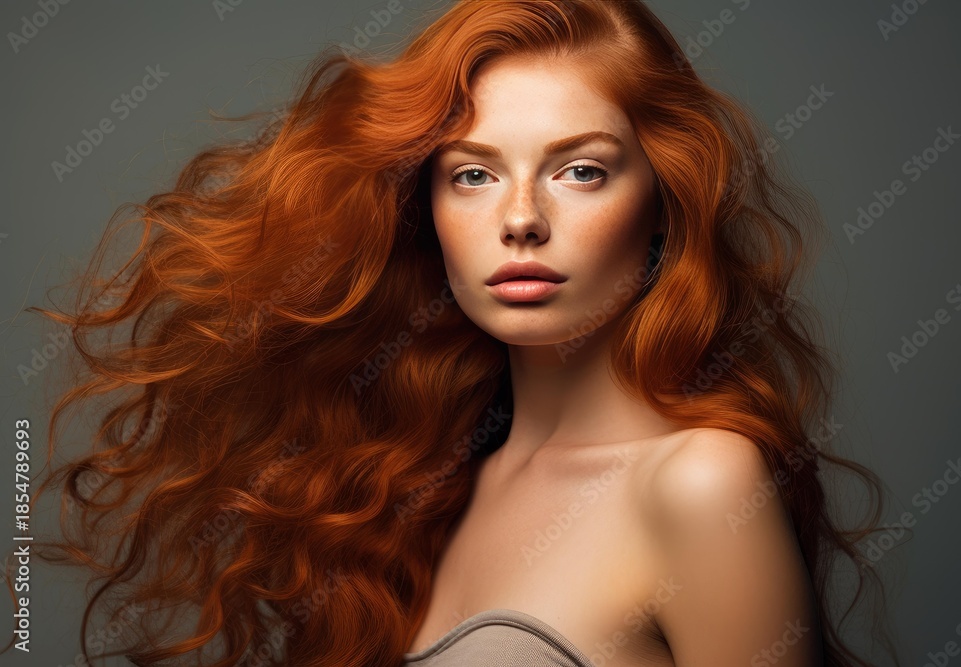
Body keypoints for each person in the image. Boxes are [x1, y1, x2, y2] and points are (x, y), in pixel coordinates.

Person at [7, 1, 901, 665]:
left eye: (581, 171)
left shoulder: (700, 484)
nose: (521, 218)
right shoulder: (426, 484)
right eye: (473, 174)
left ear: (664, 200)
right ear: (424, 209)